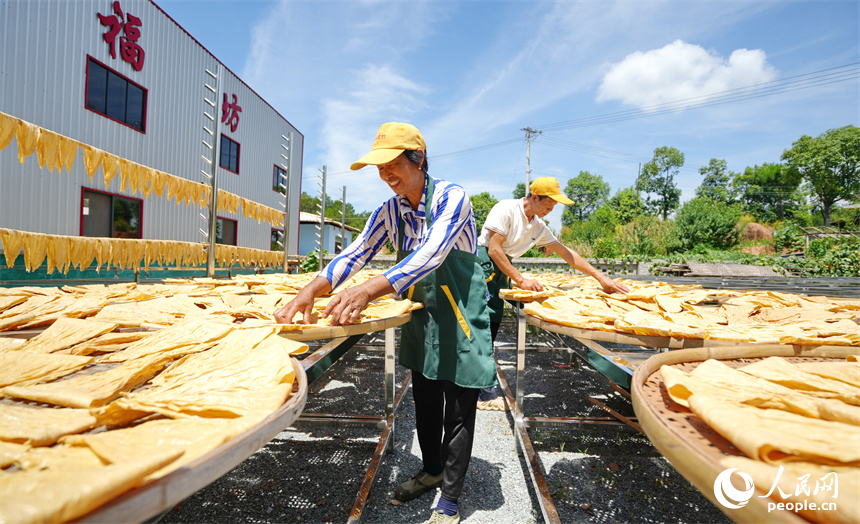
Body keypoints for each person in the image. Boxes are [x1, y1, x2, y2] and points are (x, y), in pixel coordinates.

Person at [274, 122, 496, 524]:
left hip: (458, 311)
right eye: (380, 168)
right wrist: (312, 288)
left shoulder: (452, 197)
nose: (386, 174)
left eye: (393, 164)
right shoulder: (390, 210)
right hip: (419, 312)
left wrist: (368, 291)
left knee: (460, 402)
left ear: (419, 159)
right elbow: (356, 252)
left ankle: (449, 500)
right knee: (424, 396)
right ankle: (431, 471)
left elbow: (431, 253)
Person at [475, 176, 631, 411]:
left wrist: (602, 278)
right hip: (483, 266)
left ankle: (479, 387)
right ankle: (484, 395)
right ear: (534, 197)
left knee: (492, 327)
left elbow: (568, 254)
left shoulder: (537, 226)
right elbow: (495, 249)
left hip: (502, 269)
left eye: (554, 207)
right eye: (549, 205)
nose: (551, 210)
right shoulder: (506, 209)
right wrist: (520, 279)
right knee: (481, 328)